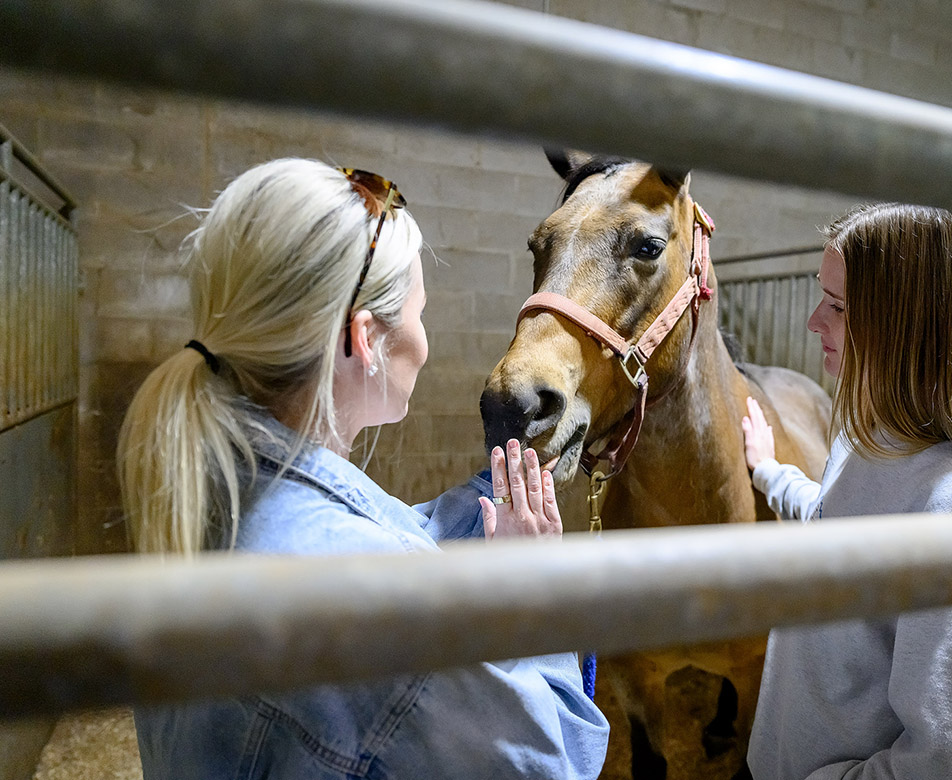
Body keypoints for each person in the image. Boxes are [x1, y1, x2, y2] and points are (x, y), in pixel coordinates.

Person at [116, 158, 608, 779]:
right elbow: (557, 764)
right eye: (420, 314)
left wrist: (496, 498)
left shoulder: (206, 487)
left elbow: (390, 529)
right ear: (364, 339)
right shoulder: (370, 605)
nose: (424, 341)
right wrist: (539, 596)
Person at [740, 203, 952, 780]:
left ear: (907, 324)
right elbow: (833, 526)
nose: (814, 321)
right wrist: (767, 471)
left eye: (837, 306)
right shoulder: (870, 443)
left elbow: (946, 764)